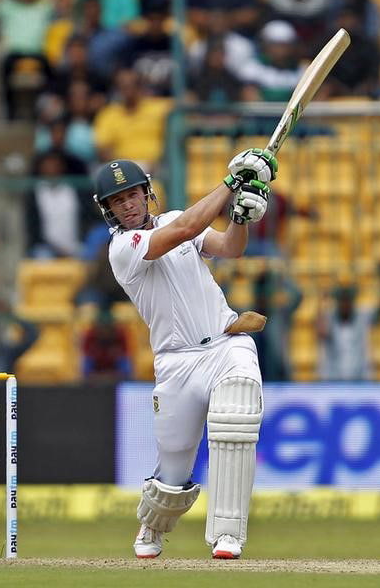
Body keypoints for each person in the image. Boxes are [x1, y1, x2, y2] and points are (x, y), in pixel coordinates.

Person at [93, 148, 277, 558]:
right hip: (176, 362)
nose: (128, 205)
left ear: (146, 193)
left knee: (237, 415)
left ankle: (228, 533)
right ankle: (152, 526)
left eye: (133, 195)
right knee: (174, 469)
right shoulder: (124, 249)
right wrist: (230, 184)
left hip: (226, 343)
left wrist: (240, 217)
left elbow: (230, 247)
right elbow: (182, 231)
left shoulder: (177, 218)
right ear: (109, 210)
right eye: (118, 201)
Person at [0, 0, 54, 119]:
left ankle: (45, 110)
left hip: (37, 53)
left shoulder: (42, 7)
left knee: (52, 75)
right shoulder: (9, 7)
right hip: (15, 53)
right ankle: (10, 112)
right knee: (5, 69)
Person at [317, 262, 380, 381]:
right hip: (333, 379)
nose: (345, 305)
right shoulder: (328, 315)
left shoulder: (363, 314)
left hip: (360, 377)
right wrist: (322, 303)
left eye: (348, 301)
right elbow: (321, 333)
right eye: (342, 300)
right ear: (337, 302)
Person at [24, 148, 84, 258]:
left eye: (55, 165)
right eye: (48, 165)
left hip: (75, 247)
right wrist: (55, 249)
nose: (52, 169)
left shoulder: (73, 190)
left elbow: (85, 219)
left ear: (62, 167)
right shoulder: (34, 194)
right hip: (45, 249)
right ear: (41, 168)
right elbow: (32, 228)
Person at [250, 267, 302, 381]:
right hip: (255, 377)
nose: (263, 300)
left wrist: (282, 280)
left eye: (265, 296)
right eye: (260, 297)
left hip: (279, 375)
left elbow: (298, 295)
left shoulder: (280, 315)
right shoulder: (246, 319)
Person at [81, 305, 131, 381]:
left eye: (108, 327)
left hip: (115, 373)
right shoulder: (90, 336)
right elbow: (87, 364)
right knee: (87, 362)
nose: (105, 331)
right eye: (102, 327)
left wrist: (112, 376)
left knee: (125, 362)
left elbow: (125, 362)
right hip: (95, 374)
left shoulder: (120, 335)